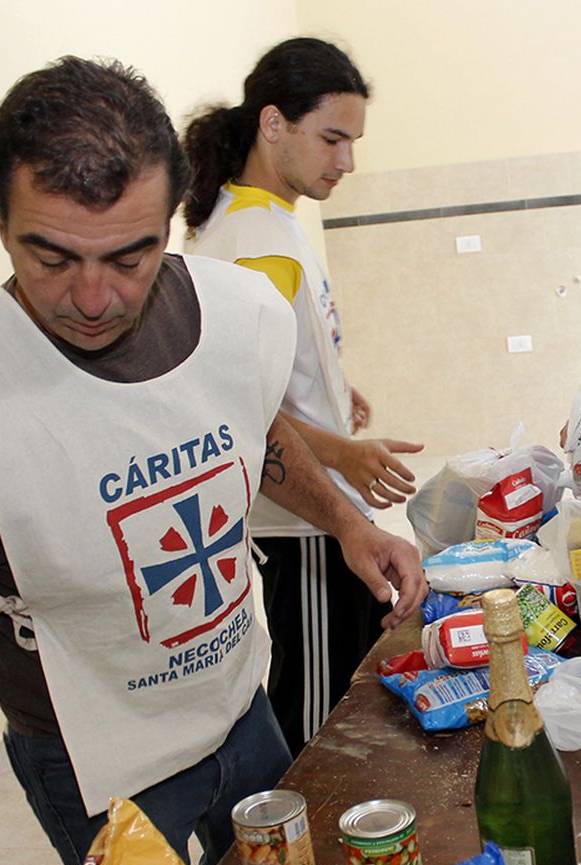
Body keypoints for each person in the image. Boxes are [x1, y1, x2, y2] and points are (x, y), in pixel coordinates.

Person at [0, 56, 425, 865]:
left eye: (130, 257)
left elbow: (255, 429)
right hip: (92, 764)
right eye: (49, 258)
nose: (92, 298)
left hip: (238, 709)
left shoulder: (236, 312)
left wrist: (349, 524)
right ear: (0, 220)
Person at [182, 38, 422, 753]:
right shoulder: (252, 241)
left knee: (336, 691)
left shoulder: (261, 219)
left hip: (318, 514)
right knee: (320, 718)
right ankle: (297, 846)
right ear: (272, 123)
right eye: (332, 139)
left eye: (352, 142)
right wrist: (342, 450)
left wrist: (333, 387)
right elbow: (240, 407)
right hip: (304, 524)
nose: (346, 161)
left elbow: (272, 368)